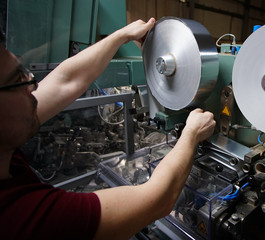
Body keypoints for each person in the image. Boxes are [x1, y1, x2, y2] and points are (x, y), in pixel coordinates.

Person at [0, 18, 216, 240]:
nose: (33, 85)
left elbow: (66, 80)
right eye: (18, 79)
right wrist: (191, 135)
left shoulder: (6, 139)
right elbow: (157, 199)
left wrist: (122, 35)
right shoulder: (24, 218)